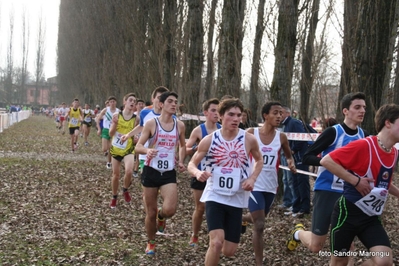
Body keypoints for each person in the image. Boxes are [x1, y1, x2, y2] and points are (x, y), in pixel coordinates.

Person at [286, 92, 367, 253]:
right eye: (357, 107)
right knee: (316, 246)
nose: (362, 111)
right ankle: (298, 233)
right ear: (345, 111)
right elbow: (307, 156)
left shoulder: (362, 135)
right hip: (327, 190)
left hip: (349, 193)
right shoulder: (333, 132)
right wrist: (328, 163)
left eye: (364, 107)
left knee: (347, 245)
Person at [319, 103, 399, 266]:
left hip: (370, 218)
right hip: (347, 214)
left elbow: (383, 183)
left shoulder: (394, 152)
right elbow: (326, 160)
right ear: (388, 123)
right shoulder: (365, 145)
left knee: (384, 261)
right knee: (340, 262)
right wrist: (355, 181)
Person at [187, 98, 263, 266]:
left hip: (237, 197)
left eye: (239, 115)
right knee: (216, 242)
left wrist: (252, 178)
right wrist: (198, 172)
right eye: (231, 115)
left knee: (229, 251)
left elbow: (259, 161)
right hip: (215, 195)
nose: (236, 119)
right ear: (220, 116)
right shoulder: (209, 140)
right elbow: (191, 163)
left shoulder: (248, 139)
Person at [241, 101, 296, 266]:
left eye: (281, 113)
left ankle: (240, 218)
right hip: (254, 184)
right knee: (260, 225)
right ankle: (259, 262)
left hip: (271, 186)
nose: (279, 116)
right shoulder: (251, 133)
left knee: (259, 218)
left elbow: (288, 155)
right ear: (265, 115)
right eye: (275, 113)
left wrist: (291, 162)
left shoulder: (282, 137)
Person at [135, 91, 186, 256]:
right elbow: (138, 146)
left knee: (170, 209)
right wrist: (147, 150)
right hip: (151, 170)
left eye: (175, 101)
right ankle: (151, 242)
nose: (174, 104)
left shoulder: (180, 125)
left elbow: (183, 145)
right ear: (161, 104)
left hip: (168, 172)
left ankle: (162, 217)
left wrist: (181, 160)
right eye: (170, 101)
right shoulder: (151, 123)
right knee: (150, 212)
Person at [184, 98, 221, 247]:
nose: (216, 113)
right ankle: (195, 235)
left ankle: (216, 237)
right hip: (200, 173)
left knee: (218, 207)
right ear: (205, 113)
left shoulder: (222, 129)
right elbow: (186, 149)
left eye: (218, 110)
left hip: (217, 174)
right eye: (213, 110)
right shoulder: (199, 130)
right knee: (200, 207)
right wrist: (197, 148)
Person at [109, 93, 141, 208]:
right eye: (130, 100)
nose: (132, 102)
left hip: (128, 148)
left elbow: (136, 134)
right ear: (125, 102)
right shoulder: (117, 115)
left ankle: (125, 189)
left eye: (134, 101)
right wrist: (115, 124)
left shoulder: (136, 119)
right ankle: (114, 196)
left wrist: (136, 138)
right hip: (116, 148)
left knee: (129, 171)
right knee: (116, 175)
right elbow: (110, 134)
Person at [281, 106, 310, 217]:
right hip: (292, 158)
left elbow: (302, 138)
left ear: (287, 113)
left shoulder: (294, 122)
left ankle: (304, 208)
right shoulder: (285, 125)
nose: (279, 115)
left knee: (302, 182)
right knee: (294, 182)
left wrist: (292, 150)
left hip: (300, 157)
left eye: (281, 112)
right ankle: (296, 207)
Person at [96, 96, 119, 169]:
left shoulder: (118, 111)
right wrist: (99, 129)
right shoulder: (105, 110)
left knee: (111, 149)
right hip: (105, 130)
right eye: (111, 102)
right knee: (104, 149)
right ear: (109, 103)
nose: (112, 103)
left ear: (116, 102)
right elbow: (98, 119)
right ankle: (108, 152)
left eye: (114, 101)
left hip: (114, 131)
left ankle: (109, 162)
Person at [132, 99, 145, 177]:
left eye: (142, 104)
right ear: (136, 106)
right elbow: (132, 126)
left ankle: (136, 170)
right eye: (139, 104)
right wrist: (134, 135)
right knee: (136, 154)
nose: (141, 105)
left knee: (140, 155)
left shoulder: (147, 114)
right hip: (135, 136)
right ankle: (135, 169)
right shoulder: (134, 115)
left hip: (144, 137)